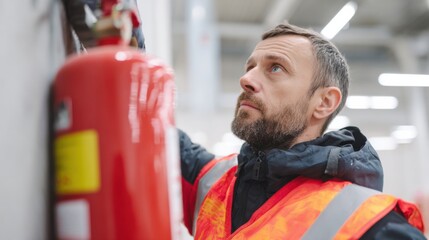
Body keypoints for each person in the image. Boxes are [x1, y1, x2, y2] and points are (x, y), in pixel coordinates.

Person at [179, 23, 426, 239]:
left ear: (324, 102)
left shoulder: (366, 224)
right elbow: (161, 139)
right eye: (250, 67)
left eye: (275, 68)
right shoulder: (214, 183)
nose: (246, 79)